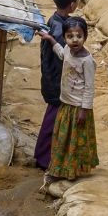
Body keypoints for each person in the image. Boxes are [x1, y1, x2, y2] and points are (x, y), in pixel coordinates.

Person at [37, 17, 98, 182]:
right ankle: (59, 169)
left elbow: (90, 87)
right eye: (70, 36)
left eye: (79, 35)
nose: (75, 40)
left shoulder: (87, 61)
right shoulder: (67, 50)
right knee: (61, 139)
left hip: (78, 108)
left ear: (85, 36)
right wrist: (50, 40)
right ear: (64, 38)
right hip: (65, 104)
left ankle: (69, 171)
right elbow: (61, 54)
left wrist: (84, 110)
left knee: (74, 141)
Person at [36, 0, 84, 172]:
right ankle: (44, 158)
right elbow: (65, 59)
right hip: (58, 83)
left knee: (54, 118)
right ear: (72, 4)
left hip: (53, 80)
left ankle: (47, 155)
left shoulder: (55, 21)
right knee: (54, 120)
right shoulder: (61, 31)